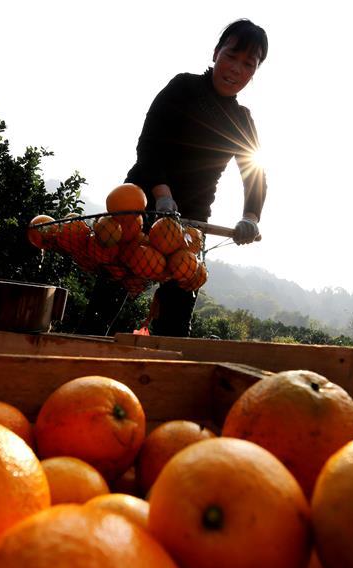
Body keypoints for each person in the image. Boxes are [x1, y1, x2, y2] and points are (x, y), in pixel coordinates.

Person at [79, 19, 268, 337]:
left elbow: (255, 175)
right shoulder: (183, 88)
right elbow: (149, 145)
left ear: (255, 72)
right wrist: (163, 195)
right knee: (105, 303)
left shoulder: (241, 119)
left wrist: (250, 216)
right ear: (216, 52)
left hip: (189, 223)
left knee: (176, 318)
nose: (236, 69)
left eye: (248, 64)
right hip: (137, 208)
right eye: (231, 56)